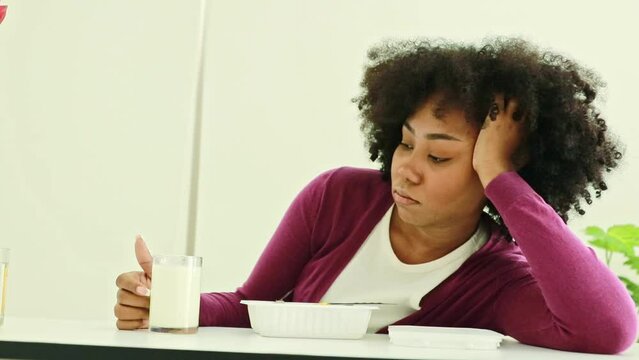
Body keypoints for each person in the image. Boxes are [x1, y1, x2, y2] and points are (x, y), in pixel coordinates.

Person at [114, 38, 638, 354]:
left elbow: (609, 331)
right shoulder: (337, 199)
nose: (407, 169)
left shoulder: (498, 280)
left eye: (439, 157)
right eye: (405, 143)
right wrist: (169, 303)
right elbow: (251, 305)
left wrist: (502, 179)